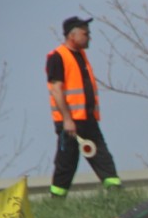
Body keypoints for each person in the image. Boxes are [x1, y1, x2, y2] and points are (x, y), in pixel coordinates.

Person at [46, 16, 122, 198]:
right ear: (72, 36)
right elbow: (56, 90)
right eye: (85, 34)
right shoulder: (58, 57)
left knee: (103, 158)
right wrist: (67, 120)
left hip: (88, 119)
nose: (89, 37)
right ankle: (56, 200)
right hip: (70, 123)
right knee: (66, 163)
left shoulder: (81, 56)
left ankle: (116, 194)